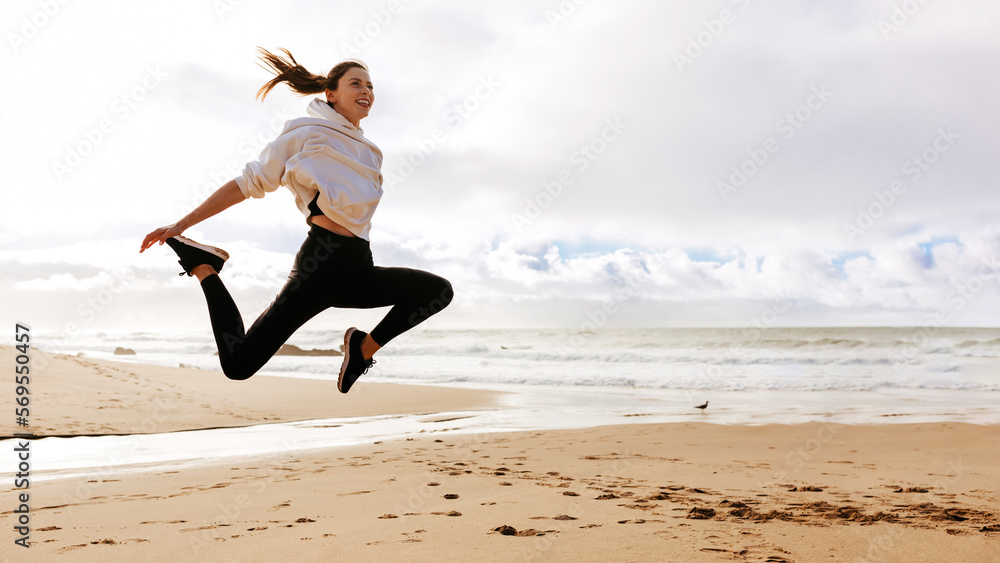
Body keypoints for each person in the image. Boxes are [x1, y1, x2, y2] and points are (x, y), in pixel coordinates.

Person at [139, 48, 453, 393]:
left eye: (370, 86)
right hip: (320, 265)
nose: (366, 91)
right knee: (238, 365)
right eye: (356, 84)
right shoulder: (305, 132)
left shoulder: (371, 153)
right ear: (330, 94)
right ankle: (204, 266)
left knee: (437, 291)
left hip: (358, 264)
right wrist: (182, 224)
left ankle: (363, 349)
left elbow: (359, 217)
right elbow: (248, 183)